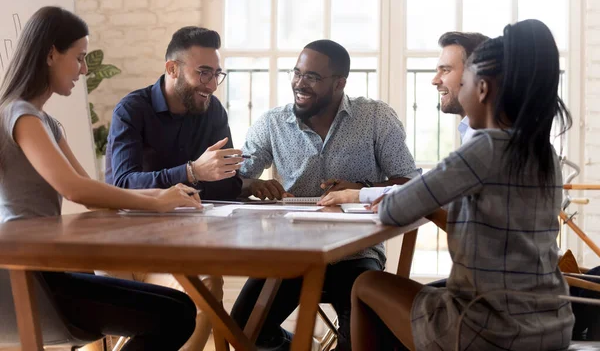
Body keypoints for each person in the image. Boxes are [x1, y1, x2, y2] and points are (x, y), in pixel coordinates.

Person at [350, 19, 575, 350]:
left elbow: (396, 210)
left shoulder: (483, 147)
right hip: (552, 324)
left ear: (481, 89)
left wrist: (389, 198)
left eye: (465, 81)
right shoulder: (544, 153)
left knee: (365, 284)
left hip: (488, 330)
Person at [0, 6, 199, 349]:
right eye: (79, 57)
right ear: (51, 54)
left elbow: (94, 192)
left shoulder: (45, 122)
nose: (84, 69)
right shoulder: (20, 115)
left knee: (179, 309)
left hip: (48, 269)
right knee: (176, 314)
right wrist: (156, 206)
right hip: (29, 277)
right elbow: (73, 189)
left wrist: (162, 195)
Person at [231, 39, 419, 350]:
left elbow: (409, 181)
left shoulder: (375, 117)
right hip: (290, 254)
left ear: (339, 83)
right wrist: (250, 185)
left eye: (312, 77)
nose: (299, 84)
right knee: (242, 328)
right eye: (297, 73)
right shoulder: (272, 123)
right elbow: (235, 180)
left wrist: (360, 190)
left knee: (361, 336)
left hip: (355, 255)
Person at [104, 26, 240, 350]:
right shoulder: (132, 110)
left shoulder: (213, 112)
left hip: (180, 251)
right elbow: (121, 184)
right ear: (172, 69)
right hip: (125, 251)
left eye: (216, 74)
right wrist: (192, 172)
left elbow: (226, 184)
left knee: (209, 283)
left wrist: (241, 179)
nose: (211, 84)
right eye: (203, 73)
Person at [319, 31, 489, 207]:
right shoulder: (472, 131)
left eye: (445, 70)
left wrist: (366, 196)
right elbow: (441, 193)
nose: (435, 80)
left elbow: (434, 192)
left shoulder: (487, 140)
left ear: (478, 76)